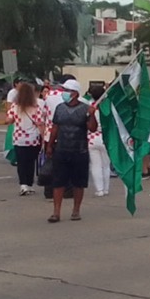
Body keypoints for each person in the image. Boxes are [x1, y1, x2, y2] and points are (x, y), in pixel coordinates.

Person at [46, 79, 97, 223]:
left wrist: (92, 115)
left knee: (78, 183)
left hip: (79, 150)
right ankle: (56, 212)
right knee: (58, 182)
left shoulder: (85, 109)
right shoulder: (60, 108)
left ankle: (76, 210)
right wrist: (50, 145)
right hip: (61, 149)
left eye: (67, 91)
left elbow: (92, 128)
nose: (64, 93)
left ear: (75, 93)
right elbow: (55, 127)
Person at [7, 81, 47, 195]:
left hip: (19, 138)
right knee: (31, 162)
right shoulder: (36, 108)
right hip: (33, 139)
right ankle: (29, 184)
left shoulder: (15, 106)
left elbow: (8, 120)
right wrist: (44, 138)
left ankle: (23, 184)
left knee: (21, 162)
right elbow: (40, 124)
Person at [86, 83, 110, 197]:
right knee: (106, 165)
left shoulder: (89, 107)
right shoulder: (108, 107)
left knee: (95, 165)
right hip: (106, 137)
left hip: (92, 137)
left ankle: (99, 189)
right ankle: (106, 188)